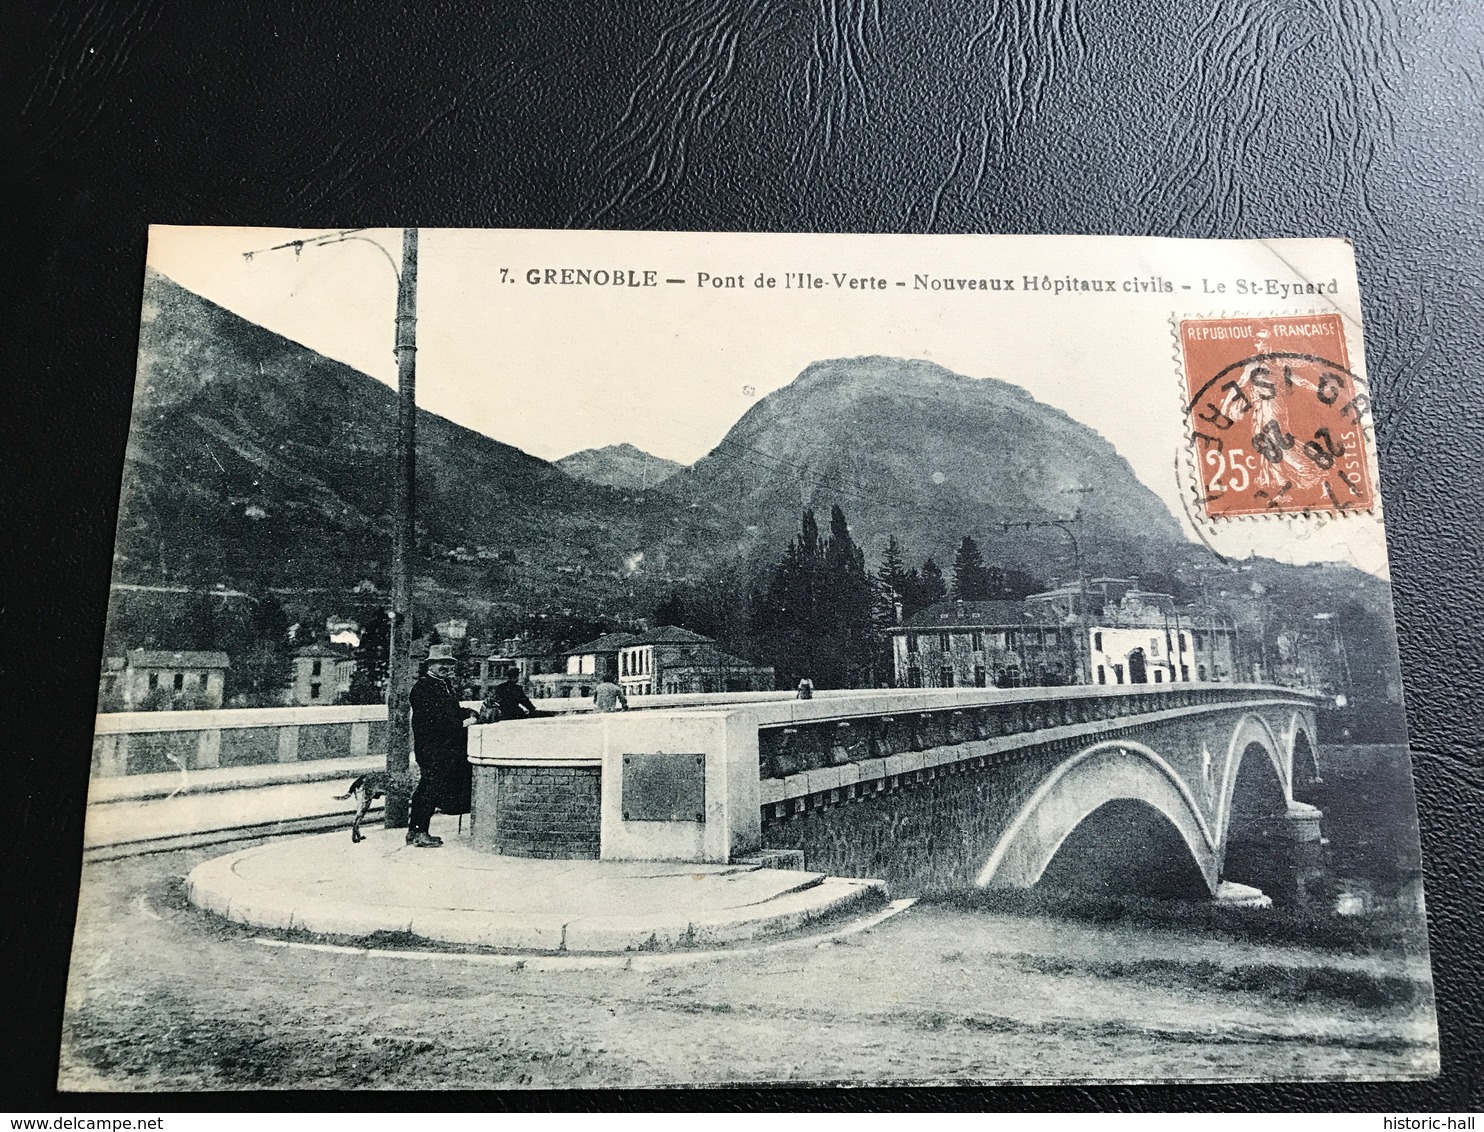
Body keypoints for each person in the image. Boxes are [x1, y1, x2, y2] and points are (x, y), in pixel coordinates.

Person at [407, 644, 477, 848]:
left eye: (449, 664)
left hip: (442, 748)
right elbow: (434, 721)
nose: (446, 667)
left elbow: (451, 710)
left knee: (426, 788)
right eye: (441, 664)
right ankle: (420, 834)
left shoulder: (443, 685)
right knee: (430, 789)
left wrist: (469, 712)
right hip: (432, 748)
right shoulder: (423, 688)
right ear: (431, 664)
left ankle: (414, 831)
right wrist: (463, 723)